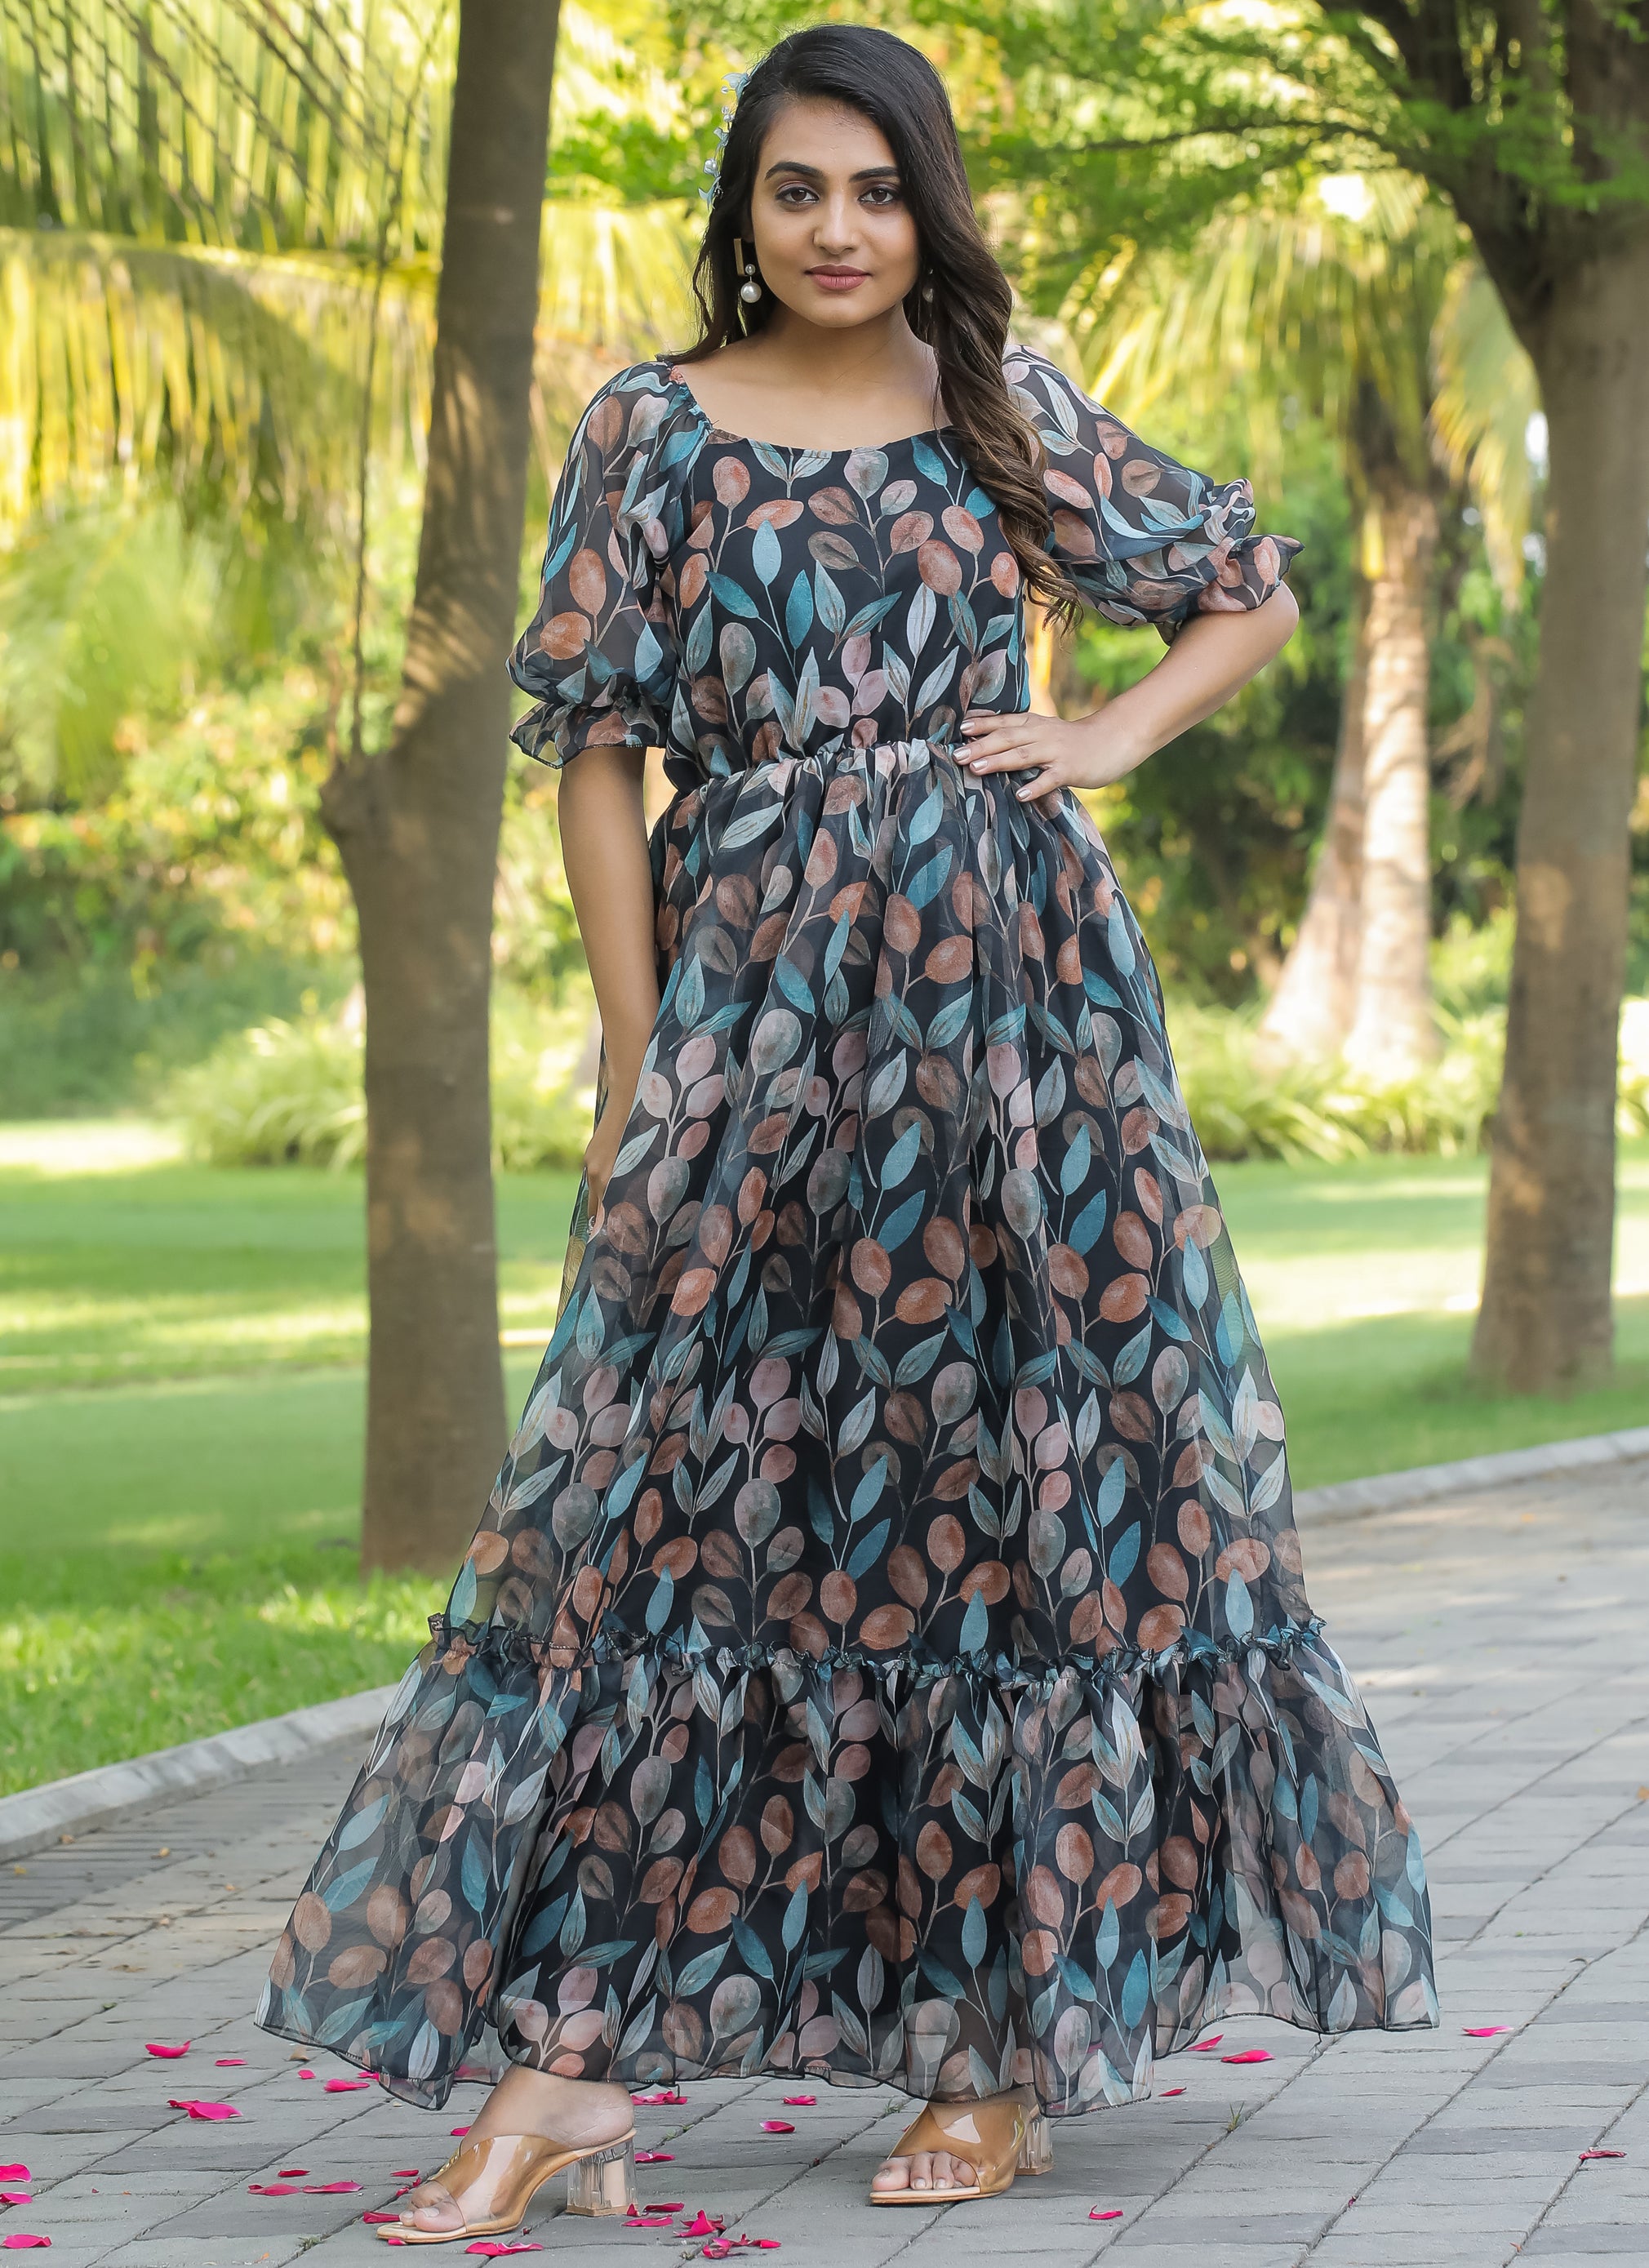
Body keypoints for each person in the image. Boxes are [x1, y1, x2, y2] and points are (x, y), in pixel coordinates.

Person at [257, 21, 1438, 2244]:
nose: (836, 229)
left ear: (928, 209)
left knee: (996, 1492)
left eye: (878, 191)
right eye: (797, 189)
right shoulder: (649, 424)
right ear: (744, 206)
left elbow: (1250, 588)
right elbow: (596, 748)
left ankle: (992, 2059)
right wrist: (640, 1050)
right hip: (753, 1016)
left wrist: (1102, 736)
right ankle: (566, 2069)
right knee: (666, 1508)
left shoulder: (997, 407)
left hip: (1016, 1026)